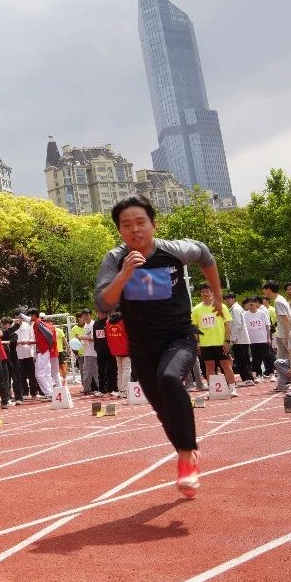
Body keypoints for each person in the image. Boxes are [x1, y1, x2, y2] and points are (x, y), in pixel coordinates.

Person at [95, 194, 224, 498]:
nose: (135, 229)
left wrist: (217, 296)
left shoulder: (173, 250)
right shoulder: (114, 259)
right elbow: (103, 304)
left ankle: (187, 457)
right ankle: (186, 450)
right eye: (127, 225)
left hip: (178, 336)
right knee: (163, 409)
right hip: (141, 345)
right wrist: (125, 273)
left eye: (141, 222)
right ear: (119, 230)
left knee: (169, 379)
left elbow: (204, 253)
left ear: (153, 224)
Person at [192, 284, 238, 397]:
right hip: (205, 343)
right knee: (209, 366)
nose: (205, 293)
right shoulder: (196, 309)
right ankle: (213, 389)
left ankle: (232, 388)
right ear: (200, 294)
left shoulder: (221, 307)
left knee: (225, 365)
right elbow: (195, 328)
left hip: (220, 342)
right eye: (203, 292)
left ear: (212, 292)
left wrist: (227, 341)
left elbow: (227, 325)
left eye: (207, 291)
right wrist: (196, 343)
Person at [29, 309, 59, 398]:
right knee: (46, 373)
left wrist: (48, 346)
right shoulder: (37, 323)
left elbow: (49, 335)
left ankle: (49, 393)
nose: (29, 317)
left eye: (30, 315)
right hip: (43, 351)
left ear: (34, 315)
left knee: (39, 374)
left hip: (43, 351)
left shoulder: (38, 324)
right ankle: (50, 392)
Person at [263, 281, 291, 367]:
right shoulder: (280, 299)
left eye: (264, 290)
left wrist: (289, 336)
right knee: (282, 358)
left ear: (269, 290)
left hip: (285, 334)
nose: (263, 292)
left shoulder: (278, 302)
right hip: (282, 334)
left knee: (290, 356)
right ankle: (286, 374)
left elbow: (285, 319)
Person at [243, 296, 274, 378]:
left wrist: (268, 338)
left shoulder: (262, 313)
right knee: (255, 358)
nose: (251, 305)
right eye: (249, 304)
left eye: (253, 303)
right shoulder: (245, 315)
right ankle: (258, 374)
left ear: (256, 303)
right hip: (252, 340)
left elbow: (267, 325)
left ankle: (271, 373)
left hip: (263, 339)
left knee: (267, 356)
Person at [77, 311, 99, 396]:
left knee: (94, 371)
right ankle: (87, 388)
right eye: (83, 316)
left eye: (86, 315)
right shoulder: (86, 325)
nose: (85, 317)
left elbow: (93, 338)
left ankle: (100, 388)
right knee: (87, 371)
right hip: (87, 351)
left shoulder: (93, 324)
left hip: (93, 351)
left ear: (90, 315)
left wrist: (82, 337)